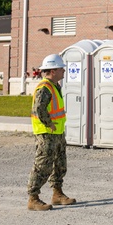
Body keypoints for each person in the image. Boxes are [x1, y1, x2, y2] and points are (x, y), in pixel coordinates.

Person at [26, 54, 76, 211]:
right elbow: (39, 109)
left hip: (57, 133)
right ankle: (33, 198)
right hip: (47, 134)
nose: (64, 71)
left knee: (60, 164)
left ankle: (57, 193)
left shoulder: (55, 86)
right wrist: (49, 124)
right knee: (42, 165)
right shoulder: (44, 88)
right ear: (53, 71)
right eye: (62, 69)